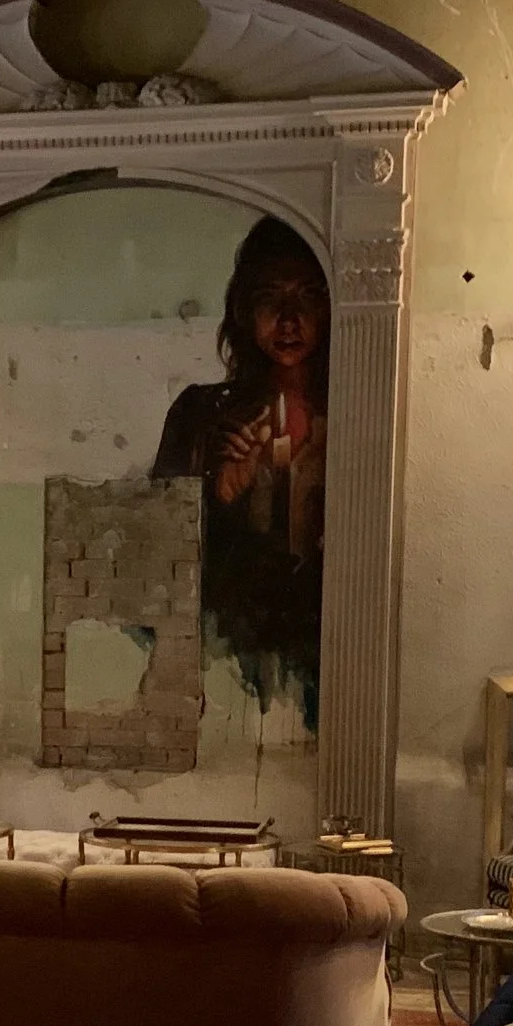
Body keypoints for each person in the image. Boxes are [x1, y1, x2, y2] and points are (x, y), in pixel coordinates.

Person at [152, 217, 329, 727]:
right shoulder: (201, 416)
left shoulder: (355, 416)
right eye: (271, 298)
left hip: (325, 655)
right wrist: (219, 493)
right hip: (228, 664)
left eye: (306, 297)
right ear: (245, 310)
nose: (289, 320)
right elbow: (158, 554)